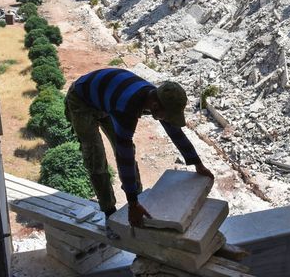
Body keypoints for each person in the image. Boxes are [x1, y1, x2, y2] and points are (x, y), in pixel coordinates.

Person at [64, 67, 213, 228]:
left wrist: (197, 163)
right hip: (81, 100)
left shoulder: (156, 97)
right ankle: (110, 213)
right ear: (155, 107)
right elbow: (124, 156)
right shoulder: (126, 108)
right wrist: (132, 204)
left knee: (127, 152)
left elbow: (175, 132)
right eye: (167, 115)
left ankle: (141, 198)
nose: (168, 120)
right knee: (96, 157)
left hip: (106, 98)